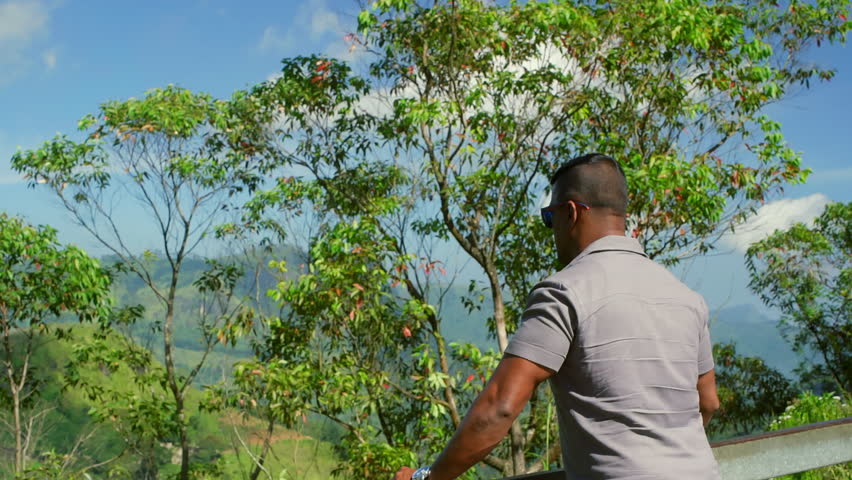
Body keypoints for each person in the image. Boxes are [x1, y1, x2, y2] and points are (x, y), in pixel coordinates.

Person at [394, 153, 720, 480]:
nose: (552, 230)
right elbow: (707, 403)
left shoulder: (564, 292)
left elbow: (499, 408)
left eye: (549, 217)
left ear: (571, 212)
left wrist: (428, 478)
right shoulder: (687, 298)